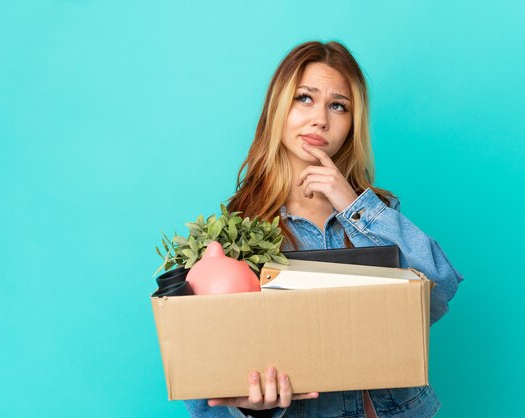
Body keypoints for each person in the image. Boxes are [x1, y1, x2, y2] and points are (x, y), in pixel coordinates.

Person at [183, 40, 463, 418]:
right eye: (305, 98)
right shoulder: (235, 233)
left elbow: (438, 292)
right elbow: (204, 394)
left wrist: (353, 205)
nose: (321, 119)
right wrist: (253, 409)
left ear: (352, 123)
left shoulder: (377, 212)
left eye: (338, 106)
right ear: (278, 107)